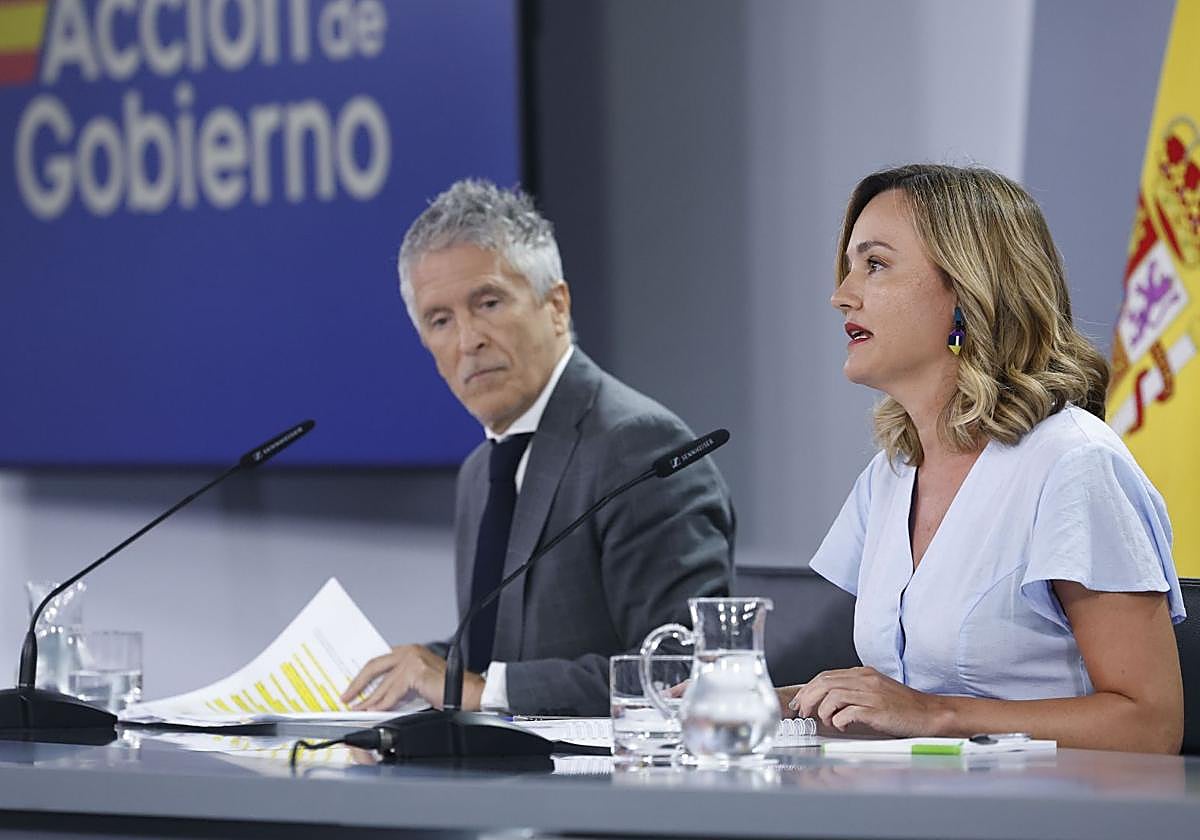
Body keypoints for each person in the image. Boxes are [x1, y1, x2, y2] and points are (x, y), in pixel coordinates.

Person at [780, 164, 1185, 753]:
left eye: (875, 264)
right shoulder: (892, 473)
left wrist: (937, 715)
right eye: (849, 268)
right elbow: (892, 710)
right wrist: (745, 703)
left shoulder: (1074, 464)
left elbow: (1149, 726)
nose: (841, 294)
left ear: (968, 290)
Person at [341, 179, 735, 716]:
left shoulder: (639, 448)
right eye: (440, 320)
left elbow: (681, 676)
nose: (467, 340)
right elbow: (510, 655)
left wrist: (475, 690)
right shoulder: (481, 472)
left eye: (488, 303)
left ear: (556, 305)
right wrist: (421, 667)